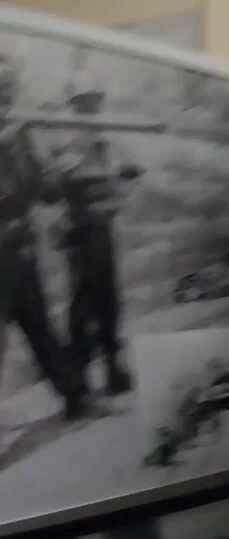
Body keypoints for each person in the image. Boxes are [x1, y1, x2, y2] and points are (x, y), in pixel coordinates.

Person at [0, 54, 88, 422]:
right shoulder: (10, 136)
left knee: (40, 328)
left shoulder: (20, 137)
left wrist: (58, 171)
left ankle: (75, 396)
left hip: (22, 250)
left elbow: (45, 191)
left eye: (9, 91)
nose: (6, 98)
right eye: (0, 91)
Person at [52, 74, 141, 397]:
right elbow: (60, 184)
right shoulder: (68, 139)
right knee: (83, 301)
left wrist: (120, 187)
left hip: (103, 227)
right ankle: (79, 374)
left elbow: (128, 174)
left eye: (95, 102)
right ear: (76, 105)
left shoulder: (106, 138)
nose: (92, 108)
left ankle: (113, 367)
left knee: (108, 299)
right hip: (81, 230)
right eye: (86, 102)